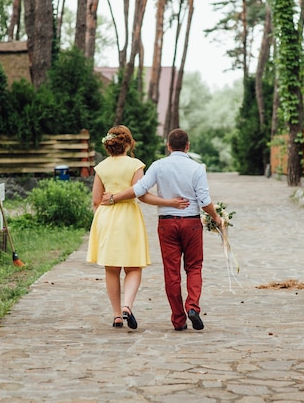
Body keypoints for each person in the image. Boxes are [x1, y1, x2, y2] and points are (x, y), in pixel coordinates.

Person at [102, 129, 223, 331]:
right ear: (188, 146)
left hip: (167, 224)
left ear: (168, 146)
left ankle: (178, 319)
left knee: (171, 271)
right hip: (191, 224)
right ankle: (192, 306)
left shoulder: (158, 166)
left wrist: (114, 198)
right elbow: (204, 201)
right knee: (194, 267)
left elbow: (139, 191)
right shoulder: (197, 168)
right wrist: (216, 217)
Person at [86, 125, 188, 330]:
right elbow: (141, 194)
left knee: (112, 268)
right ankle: (127, 307)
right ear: (129, 143)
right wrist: (168, 202)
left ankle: (116, 315)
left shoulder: (101, 167)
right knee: (133, 266)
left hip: (106, 218)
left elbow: (96, 201)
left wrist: (101, 220)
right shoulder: (135, 165)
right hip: (128, 217)